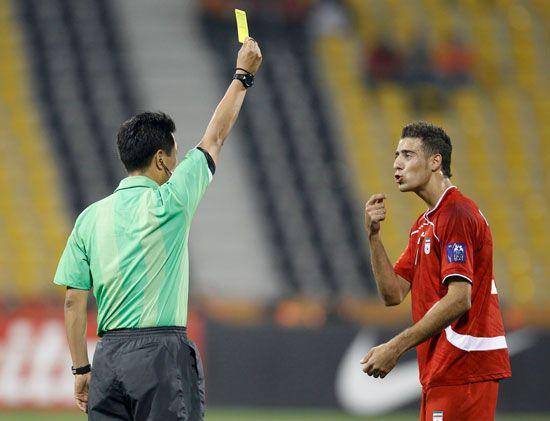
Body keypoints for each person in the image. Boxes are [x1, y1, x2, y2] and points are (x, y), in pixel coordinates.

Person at [53, 37, 262, 420]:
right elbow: (215, 137)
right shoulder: (170, 201)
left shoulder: (89, 218)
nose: (177, 163)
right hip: (160, 355)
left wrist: (82, 370)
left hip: (108, 359)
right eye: (175, 155)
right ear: (162, 160)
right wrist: (242, 77)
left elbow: (73, 301)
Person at [361, 122, 511, 420]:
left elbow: (459, 299)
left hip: (464, 365)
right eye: (396, 155)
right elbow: (393, 294)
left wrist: (395, 347)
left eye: (407, 155)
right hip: (441, 369)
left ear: (435, 161)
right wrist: (374, 237)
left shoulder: (457, 214)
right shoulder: (424, 224)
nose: (397, 163)